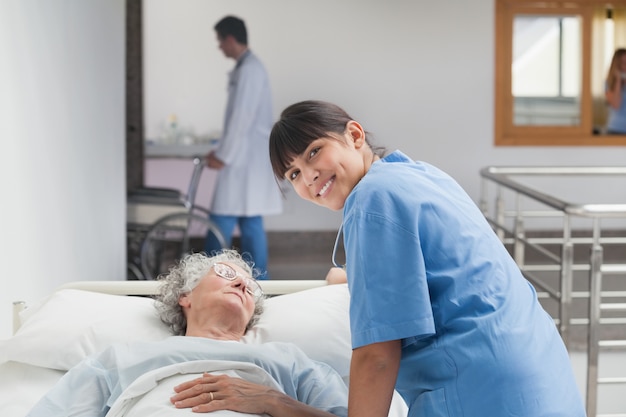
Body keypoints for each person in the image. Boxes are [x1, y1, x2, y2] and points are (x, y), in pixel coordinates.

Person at [268, 100, 586, 417]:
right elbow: (435, 271)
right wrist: (351, 277)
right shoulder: (419, 174)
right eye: (293, 173)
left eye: (313, 152)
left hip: (483, 390)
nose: (308, 176)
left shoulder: (371, 201)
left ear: (354, 135)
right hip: (542, 375)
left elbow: (376, 356)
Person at [27, 249, 348, 417]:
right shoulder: (120, 359)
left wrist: (273, 401)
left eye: (251, 287)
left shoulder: (291, 362)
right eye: (225, 274)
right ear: (186, 296)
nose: (241, 283)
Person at [204, 15, 282, 280]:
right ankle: (259, 281)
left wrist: (223, 155)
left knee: (222, 219)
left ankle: (206, 276)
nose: (219, 47)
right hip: (246, 158)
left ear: (229, 38)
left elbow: (241, 117)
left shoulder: (250, 70)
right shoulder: (247, 67)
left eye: (219, 41)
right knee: (250, 222)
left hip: (242, 159)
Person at [605, 47, 626, 134]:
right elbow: (616, 104)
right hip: (615, 129)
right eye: (623, 63)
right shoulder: (609, 83)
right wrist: (618, 80)